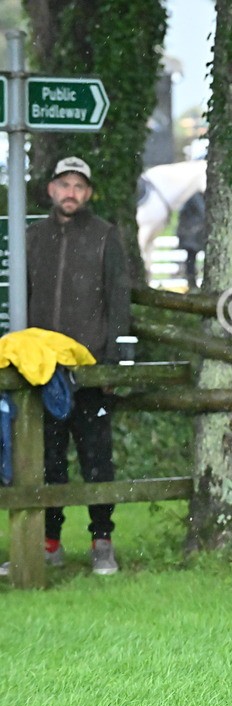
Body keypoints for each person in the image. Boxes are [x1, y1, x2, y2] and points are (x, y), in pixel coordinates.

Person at [0, 157, 131, 577]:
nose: (71, 192)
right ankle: (48, 542)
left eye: (79, 185)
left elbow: (118, 302)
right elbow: (18, 298)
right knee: (45, 461)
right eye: (64, 184)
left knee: (97, 460)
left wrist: (112, 365)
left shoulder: (105, 236)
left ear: (88, 193)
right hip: (41, 371)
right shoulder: (31, 238)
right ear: (51, 190)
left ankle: (102, 543)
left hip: (91, 370)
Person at [175, 190, 206, 290]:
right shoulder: (195, 196)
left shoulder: (191, 196)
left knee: (190, 259)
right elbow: (203, 211)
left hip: (193, 234)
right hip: (193, 235)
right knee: (191, 259)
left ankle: (191, 282)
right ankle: (192, 283)